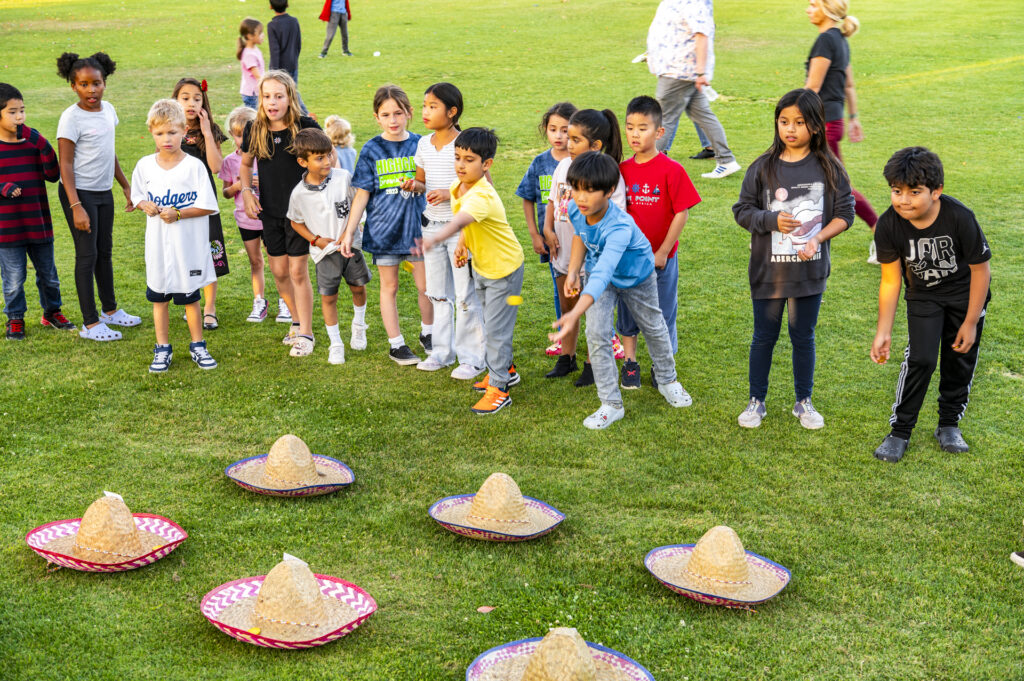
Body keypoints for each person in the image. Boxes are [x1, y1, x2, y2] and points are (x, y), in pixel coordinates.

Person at [732, 89, 854, 430]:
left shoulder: (829, 168)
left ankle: (804, 402)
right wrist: (771, 220)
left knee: (804, 336)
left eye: (799, 122)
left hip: (809, 274)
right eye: (784, 121)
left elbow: (846, 213)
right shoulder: (762, 167)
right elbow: (742, 211)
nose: (791, 129)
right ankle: (756, 401)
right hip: (768, 274)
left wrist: (816, 237)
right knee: (763, 337)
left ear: (815, 126)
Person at [548, 152, 692, 430]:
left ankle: (667, 380)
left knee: (653, 326)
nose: (580, 197)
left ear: (610, 191)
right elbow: (580, 235)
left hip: (637, 277)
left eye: (590, 191)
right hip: (599, 273)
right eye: (576, 188)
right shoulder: (578, 208)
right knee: (596, 333)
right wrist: (575, 270)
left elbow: (603, 275)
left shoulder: (620, 226)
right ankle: (610, 404)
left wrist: (575, 311)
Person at [870, 147, 991, 463]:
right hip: (924, 297)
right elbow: (891, 280)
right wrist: (884, 331)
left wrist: (970, 321)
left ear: (936, 191)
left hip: (966, 298)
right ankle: (900, 432)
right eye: (896, 191)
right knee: (921, 359)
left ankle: (948, 424)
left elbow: (981, 270)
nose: (903, 200)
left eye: (914, 192)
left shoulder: (959, 217)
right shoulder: (888, 225)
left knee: (959, 359)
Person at [416, 128, 524, 415]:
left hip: (504, 270)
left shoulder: (482, 195)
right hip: (484, 267)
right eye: (458, 157)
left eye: (470, 160)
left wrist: (438, 238)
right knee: (490, 322)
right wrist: (462, 245)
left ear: (486, 164)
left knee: (498, 331)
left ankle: (500, 387)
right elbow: (466, 224)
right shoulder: (457, 186)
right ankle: (506, 369)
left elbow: (461, 218)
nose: (461, 165)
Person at [338, 85, 431, 365]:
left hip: (417, 229)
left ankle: (429, 333)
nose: (393, 120)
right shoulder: (371, 149)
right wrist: (350, 230)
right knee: (388, 287)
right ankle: (396, 344)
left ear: (409, 113)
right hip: (384, 231)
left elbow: (431, 183)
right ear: (377, 117)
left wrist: (418, 185)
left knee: (426, 286)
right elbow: (362, 193)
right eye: (386, 114)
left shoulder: (421, 144)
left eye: (398, 113)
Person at [55, 52, 140, 342]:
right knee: (87, 255)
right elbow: (65, 164)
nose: (91, 90)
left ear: (105, 83)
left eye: (97, 83)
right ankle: (90, 324)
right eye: (84, 84)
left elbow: (108, 152)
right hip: (79, 194)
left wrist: (126, 186)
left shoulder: (109, 111)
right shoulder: (70, 119)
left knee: (104, 252)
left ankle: (110, 311)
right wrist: (76, 205)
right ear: (73, 86)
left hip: (103, 192)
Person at [403, 82, 485, 379]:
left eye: (433, 106)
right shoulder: (424, 144)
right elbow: (424, 181)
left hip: (461, 230)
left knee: (465, 294)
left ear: (452, 112)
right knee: (437, 293)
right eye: (424, 105)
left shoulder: (466, 143)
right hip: (431, 227)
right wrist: (416, 186)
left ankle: (472, 359)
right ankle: (441, 352)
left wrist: (449, 194)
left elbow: (481, 187)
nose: (425, 112)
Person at [618, 95, 701, 389]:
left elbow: (682, 212)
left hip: (661, 259)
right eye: (630, 128)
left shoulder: (671, 169)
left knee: (663, 312)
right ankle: (630, 362)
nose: (635, 134)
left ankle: (661, 364)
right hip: (628, 259)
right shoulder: (622, 170)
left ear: (659, 132)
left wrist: (663, 251)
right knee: (627, 311)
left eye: (643, 128)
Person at [130, 99, 218, 373]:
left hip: (187, 247)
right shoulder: (145, 166)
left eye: (172, 132)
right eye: (159, 133)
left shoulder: (194, 167)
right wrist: (144, 204)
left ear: (184, 132)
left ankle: (198, 345)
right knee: (159, 298)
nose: (166, 139)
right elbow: (137, 196)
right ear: (151, 134)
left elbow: (208, 205)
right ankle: (162, 348)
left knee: (190, 299)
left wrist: (178, 213)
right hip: (158, 248)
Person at [542, 108, 628, 386]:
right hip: (562, 250)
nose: (568, 143)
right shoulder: (563, 166)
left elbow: (611, 220)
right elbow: (553, 200)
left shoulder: (607, 174)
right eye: (569, 136)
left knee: (593, 312)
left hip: (591, 257)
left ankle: (593, 365)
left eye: (576, 139)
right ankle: (567, 358)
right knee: (567, 305)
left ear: (596, 146)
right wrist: (547, 228)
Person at [238, 70, 320, 356]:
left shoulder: (305, 127)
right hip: (270, 212)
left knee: (298, 271)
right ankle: (296, 322)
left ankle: (307, 334)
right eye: (266, 96)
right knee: (279, 271)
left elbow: (326, 159)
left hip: (300, 215)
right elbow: (246, 164)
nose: (272, 102)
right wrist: (247, 192)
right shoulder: (254, 128)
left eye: (278, 96)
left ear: (290, 97)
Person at [286, 128, 370, 364]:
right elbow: (295, 221)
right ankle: (336, 343)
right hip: (324, 253)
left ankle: (359, 324)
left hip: (351, 246)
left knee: (358, 288)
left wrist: (348, 233)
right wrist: (315, 239)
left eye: (329, 154)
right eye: (320, 158)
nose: (328, 161)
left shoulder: (343, 177)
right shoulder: (299, 194)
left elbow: (357, 205)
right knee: (328, 298)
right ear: (303, 162)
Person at [804, 0, 878, 263]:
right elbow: (849, 84)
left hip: (821, 125)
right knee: (818, 182)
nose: (808, 9)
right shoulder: (840, 39)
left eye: (813, 4)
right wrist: (854, 117)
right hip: (831, 123)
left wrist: (790, 118)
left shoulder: (826, 40)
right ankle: (799, 235)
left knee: (839, 186)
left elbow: (812, 87)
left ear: (826, 9)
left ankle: (882, 235)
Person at [0, 83, 72, 340]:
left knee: (49, 275)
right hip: (8, 230)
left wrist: (41, 143)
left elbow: (53, 175)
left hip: (38, 223)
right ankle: (15, 318)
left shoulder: (33, 141)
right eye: (12, 112)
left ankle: (52, 312)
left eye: (22, 110)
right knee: (13, 280)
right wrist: (3, 187)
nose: (19, 117)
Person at [646, 0, 741, 179]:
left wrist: (700, 72)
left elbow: (701, 35)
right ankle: (726, 160)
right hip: (678, 69)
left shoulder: (695, 3)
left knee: (663, 118)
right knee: (703, 115)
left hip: (681, 71)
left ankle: (650, 166)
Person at [515, 101, 576, 356]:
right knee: (559, 289)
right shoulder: (540, 163)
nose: (559, 136)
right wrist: (535, 234)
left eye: (565, 130)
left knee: (592, 288)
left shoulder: (581, 161)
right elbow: (527, 196)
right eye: (553, 129)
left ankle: (609, 336)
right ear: (545, 130)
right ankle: (564, 336)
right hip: (553, 241)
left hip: (580, 238)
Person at [173, 78, 228, 330]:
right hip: (179, 201)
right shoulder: (170, 128)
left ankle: (210, 308)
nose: (191, 103)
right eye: (185, 98)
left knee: (208, 251)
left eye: (197, 98)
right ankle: (190, 302)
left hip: (205, 201)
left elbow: (216, 167)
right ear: (176, 100)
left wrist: (206, 131)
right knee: (185, 251)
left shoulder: (211, 130)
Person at [219, 106, 268, 323]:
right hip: (245, 219)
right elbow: (226, 192)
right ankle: (259, 301)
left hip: (269, 217)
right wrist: (240, 184)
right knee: (255, 261)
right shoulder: (230, 161)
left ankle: (286, 303)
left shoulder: (266, 156)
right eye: (238, 135)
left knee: (278, 262)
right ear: (232, 135)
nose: (242, 139)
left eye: (246, 133)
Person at [267, 0, 307, 114]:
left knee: (287, 97)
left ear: (271, 6)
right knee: (292, 94)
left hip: (279, 69)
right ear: (287, 4)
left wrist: (273, 73)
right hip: (292, 63)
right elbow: (298, 44)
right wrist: (294, 58)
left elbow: (275, 50)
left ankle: (305, 116)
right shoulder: (294, 21)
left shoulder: (272, 25)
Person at [237, 18, 265, 110]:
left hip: (256, 92)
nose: (263, 35)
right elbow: (257, 76)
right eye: (260, 33)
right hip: (252, 94)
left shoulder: (254, 49)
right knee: (255, 119)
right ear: (250, 36)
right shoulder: (249, 54)